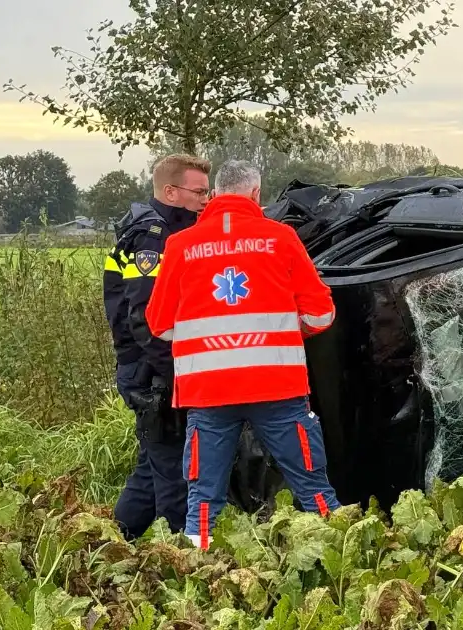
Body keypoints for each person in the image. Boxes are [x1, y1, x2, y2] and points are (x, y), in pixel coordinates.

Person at [145, 160, 340, 549]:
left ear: (215, 194)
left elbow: (159, 324)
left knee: (202, 501)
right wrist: (281, 332)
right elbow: (321, 314)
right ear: (255, 194)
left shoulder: (180, 246)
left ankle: (196, 577)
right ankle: (342, 560)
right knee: (312, 487)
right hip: (277, 388)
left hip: (208, 392)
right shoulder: (281, 238)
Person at [103, 153, 212, 541]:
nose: (205, 199)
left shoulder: (165, 231)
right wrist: (177, 371)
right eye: (199, 191)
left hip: (148, 367)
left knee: (152, 466)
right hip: (151, 371)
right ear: (170, 190)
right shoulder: (153, 237)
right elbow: (146, 317)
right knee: (174, 469)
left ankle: (115, 541)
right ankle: (177, 554)